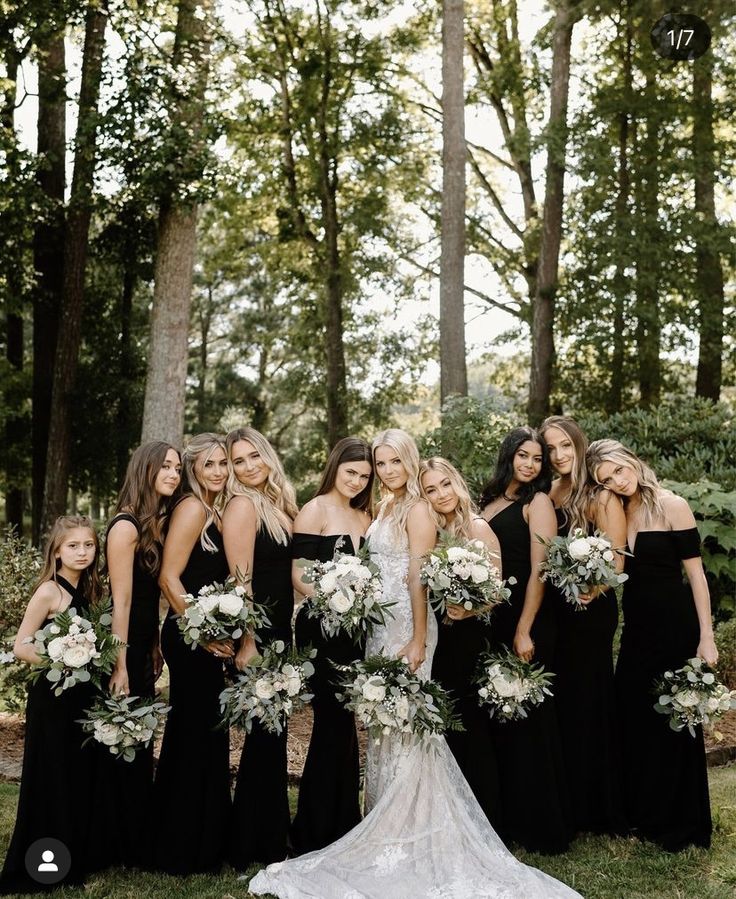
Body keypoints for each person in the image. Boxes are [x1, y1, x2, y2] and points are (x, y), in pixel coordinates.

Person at [249, 429, 581, 899]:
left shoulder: (419, 509)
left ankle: (412, 828)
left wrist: (420, 638)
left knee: (407, 724)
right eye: (380, 464)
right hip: (376, 629)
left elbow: (417, 576)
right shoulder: (382, 507)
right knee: (384, 726)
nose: (386, 472)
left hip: (408, 627)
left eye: (393, 463)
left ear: (409, 462)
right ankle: (385, 821)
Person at [587, 439, 716, 851]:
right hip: (638, 628)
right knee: (635, 713)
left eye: (618, 471)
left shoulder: (672, 504)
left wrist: (706, 636)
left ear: (631, 460)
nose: (617, 482)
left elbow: (696, 577)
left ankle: (680, 819)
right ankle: (642, 812)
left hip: (674, 626)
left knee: (675, 717)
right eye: (606, 480)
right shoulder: (618, 511)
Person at [87, 442, 181, 872]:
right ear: (145, 469)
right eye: (166, 466)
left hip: (144, 641)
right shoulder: (124, 526)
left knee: (140, 740)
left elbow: (150, 597)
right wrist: (121, 663)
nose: (174, 473)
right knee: (123, 740)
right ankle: (115, 842)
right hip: (124, 645)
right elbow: (121, 601)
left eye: (178, 468)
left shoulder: (153, 524)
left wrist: (157, 643)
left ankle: (135, 837)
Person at [479, 426, 572, 854]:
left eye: (537, 459)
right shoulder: (490, 501)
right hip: (491, 620)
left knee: (530, 720)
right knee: (501, 720)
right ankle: (507, 818)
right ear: (509, 457)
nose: (530, 464)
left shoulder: (539, 504)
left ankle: (541, 825)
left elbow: (541, 570)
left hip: (527, 620)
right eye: (523, 455)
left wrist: (523, 628)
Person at [0, 516, 103, 894]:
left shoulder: (93, 591)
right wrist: (61, 659)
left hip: (84, 696)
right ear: (57, 551)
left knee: (79, 775)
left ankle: (78, 853)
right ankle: (48, 861)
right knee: (54, 777)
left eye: (88, 545)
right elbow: (21, 645)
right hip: (53, 697)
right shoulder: (49, 591)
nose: (81, 552)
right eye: (73, 546)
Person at [539, 416, 627, 836]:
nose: (559, 456)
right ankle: (567, 802)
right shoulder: (549, 492)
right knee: (563, 701)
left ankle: (599, 807)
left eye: (565, 447)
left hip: (591, 608)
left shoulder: (600, 494)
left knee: (590, 697)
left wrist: (593, 585)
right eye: (551, 449)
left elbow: (618, 557)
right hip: (554, 610)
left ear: (578, 445)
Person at [153, 433, 232, 875]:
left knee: (202, 734)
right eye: (209, 465)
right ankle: (183, 846)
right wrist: (201, 633)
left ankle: (201, 838)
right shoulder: (192, 508)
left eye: (223, 463)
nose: (219, 471)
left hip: (201, 635)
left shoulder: (213, 508)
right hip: (186, 637)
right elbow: (169, 578)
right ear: (194, 470)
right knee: (194, 735)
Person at [289, 437, 373, 854]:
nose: (357, 481)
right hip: (322, 627)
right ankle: (317, 828)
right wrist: (336, 594)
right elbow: (300, 577)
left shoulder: (364, 514)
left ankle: (344, 821)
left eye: (364, 476)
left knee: (347, 723)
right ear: (335, 466)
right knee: (330, 721)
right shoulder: (315, 509)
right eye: (350, 472)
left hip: (356, 630)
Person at [223, 427, 297, 870]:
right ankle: (250, 842)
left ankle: (269, 835)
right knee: (263, 735)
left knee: (274, 735)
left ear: (268, 456)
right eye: (239, 461)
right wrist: (247, 640)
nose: (249, 467)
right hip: (258, 635)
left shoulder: (277, 505)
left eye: (254, 457)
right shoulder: (242, 505)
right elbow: (240, 580)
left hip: (280, 634)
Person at [420, 456, 502, 829]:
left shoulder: (478, 527)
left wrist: (469, 609)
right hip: (441, 635)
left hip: (472, 634)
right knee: (447, 717)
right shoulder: (430, 532)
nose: (441, 495)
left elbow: (499, 590)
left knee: (472, 720)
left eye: (445, 484)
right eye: (430, 490)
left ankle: (484, 815)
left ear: (457, 483)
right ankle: (450, 814)